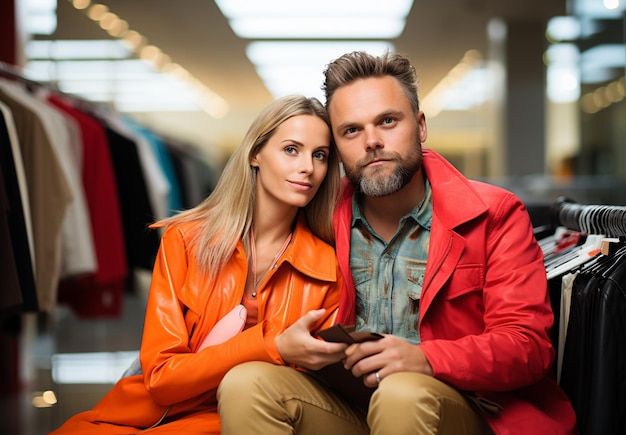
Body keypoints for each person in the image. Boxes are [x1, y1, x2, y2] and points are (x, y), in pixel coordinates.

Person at [217, 52, 578, 434]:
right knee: (246, 383)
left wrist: (425, 359)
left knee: (402, 394)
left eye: (387, 121)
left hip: (466, 407)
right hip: (351, 407)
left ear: (420, 126)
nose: (372, 141)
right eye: (351, 131)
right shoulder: (317, 216)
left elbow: (527, 347)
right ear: (337, 147)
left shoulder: (494, 215)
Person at [50, 94, 348, 434]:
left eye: (320, 155)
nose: (308, 167)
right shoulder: (185, 241)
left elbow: (300, 395)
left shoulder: (330, 271)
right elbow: (162, 378)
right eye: (291, 149)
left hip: (241, 417)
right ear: (255, 154)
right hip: (150, 412)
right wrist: (271, 347)